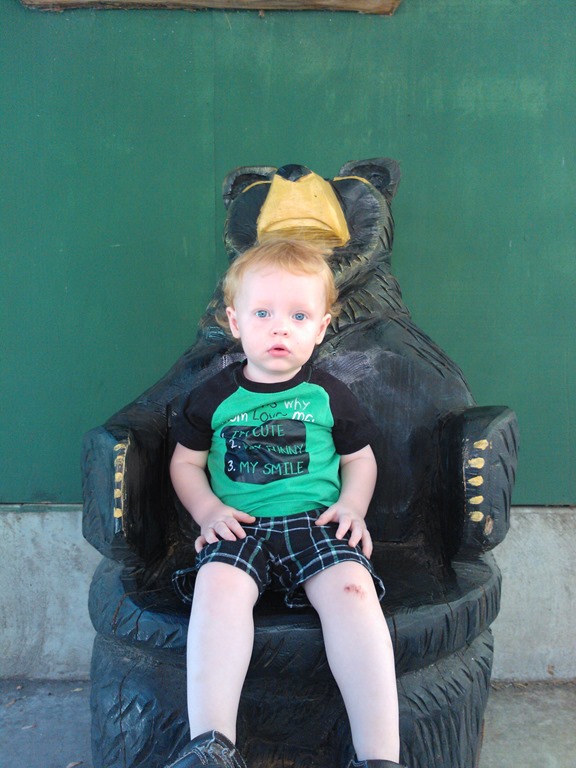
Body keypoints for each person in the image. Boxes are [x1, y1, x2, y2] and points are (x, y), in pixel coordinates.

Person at [168, 239, 404, 768]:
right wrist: (207, 512)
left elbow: (360, 459)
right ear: (235, 322)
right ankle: (211, 747)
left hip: (315, 524)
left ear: (321, 328)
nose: (280, 328)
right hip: (240, 526)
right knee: (216, 587)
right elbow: (185, 463)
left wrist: (352, 507)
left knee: (354, 590)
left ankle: (378, 756)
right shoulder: (214, 396)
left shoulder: (328, 394)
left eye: (299, 316)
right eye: (263, 313)